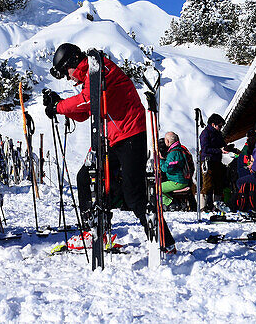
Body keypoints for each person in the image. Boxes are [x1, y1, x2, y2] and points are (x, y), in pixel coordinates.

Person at [43, 43, 175, 251]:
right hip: (112, 138)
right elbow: (85, 112)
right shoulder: (91, 75)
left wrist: (58, 107)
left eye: (67, 73)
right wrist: (59, 106)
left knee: (134, 194)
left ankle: (164, 241)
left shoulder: (102, 68)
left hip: (130, 133)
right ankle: (93, 231)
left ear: (72, 62)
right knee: (86, 177)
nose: (70, 78)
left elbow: (87, 101)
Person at [198, 113, 233, 211]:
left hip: (217, 161)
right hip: (207, 161)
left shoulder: (217, 134)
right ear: (213, 124)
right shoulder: (205, 133)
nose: (221, 128)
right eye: (220, 126)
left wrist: (228, 148)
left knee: (218, 184)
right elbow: (205, 149)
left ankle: (216, 205)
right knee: (207, 184)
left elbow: (222, 144)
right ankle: (203, 206)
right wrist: (220, 150)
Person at [160, 132, 193, 207]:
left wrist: (161, 160)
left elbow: (167, 169)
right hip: (182, 179)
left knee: (157, 188)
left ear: (168, 141)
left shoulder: (173, 153)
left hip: (178, 181)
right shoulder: (180, 149)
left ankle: (171, 203)